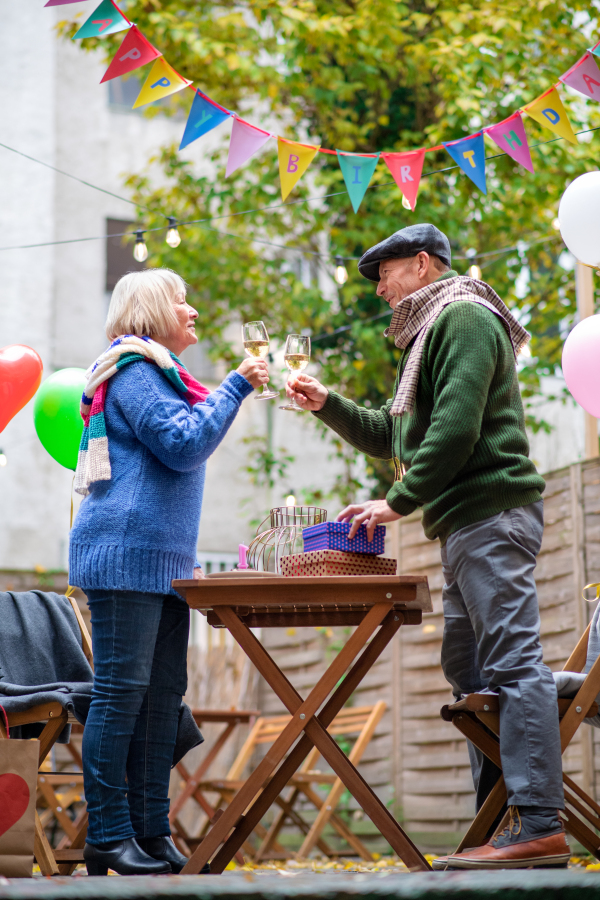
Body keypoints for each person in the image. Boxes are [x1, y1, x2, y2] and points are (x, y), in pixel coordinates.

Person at [285, 224, 570, 869]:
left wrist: (398, 502)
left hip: (490, 516)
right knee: (470, 674)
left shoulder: (463, 315)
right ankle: (501, 825)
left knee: (513, 666)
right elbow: (399, 437)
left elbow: (456, 427)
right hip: (466, 525)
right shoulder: (428, 335)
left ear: (421, 264)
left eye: (384, 272)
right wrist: (327, 402)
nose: (379, 287)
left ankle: (540, 825)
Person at [69, 268, 269, 876]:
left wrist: (229, 391)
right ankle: (107, 833)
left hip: (162, 562)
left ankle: (151, 831)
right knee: (121, 695)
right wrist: (236, 385)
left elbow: (186, 441)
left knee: (162, 700)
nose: (193, 313)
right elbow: (183, 445)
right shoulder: (131, 371)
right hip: (124, 554)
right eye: (181, 302)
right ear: (153, 311)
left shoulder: (164, 377)